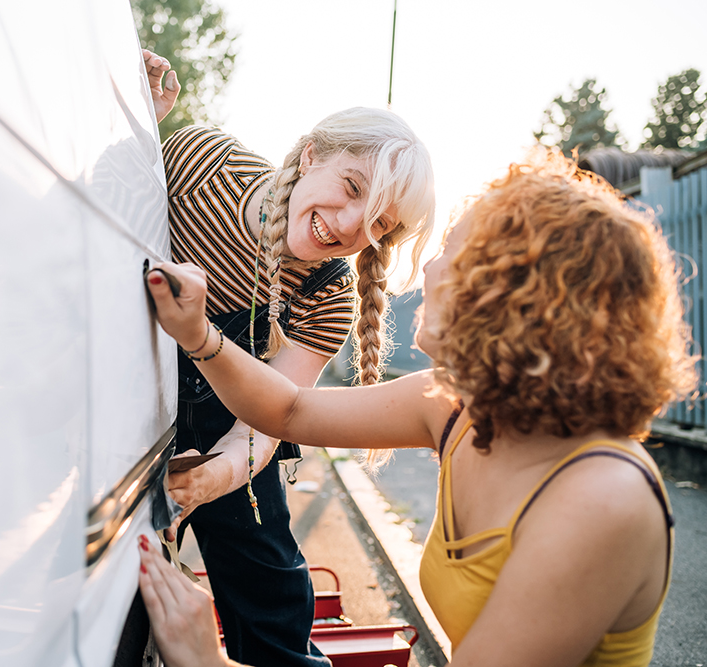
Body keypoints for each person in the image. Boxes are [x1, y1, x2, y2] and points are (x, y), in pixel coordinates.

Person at [140, 150, 697, 667]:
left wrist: (207, 661)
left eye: (453, 249)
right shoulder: (452, 402)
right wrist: (198, 335)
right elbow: (287, 412)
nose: (428, 267)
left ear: (515, 292)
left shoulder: (602, 501)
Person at [142, 49, 436, 667]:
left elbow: (268, 422)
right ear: (312, 156)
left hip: (227, 438)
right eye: (351, 188)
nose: (351, 225)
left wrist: (211, 479)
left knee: (274, 595)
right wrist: (136, 126)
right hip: (130, 397)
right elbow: (99, 201)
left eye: (378, 225)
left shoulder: (329, 293)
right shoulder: (200, 163)